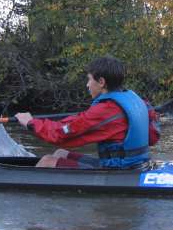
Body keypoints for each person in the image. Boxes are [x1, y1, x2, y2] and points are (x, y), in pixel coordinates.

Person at [15, 56, 160, 169]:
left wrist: (30, 123)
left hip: (120, 170)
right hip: (137, 165)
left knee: (47, 161)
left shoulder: (106, 110)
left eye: (89, 79)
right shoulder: (138, 101)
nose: (87, 85)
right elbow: (153, 137)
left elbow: (60, 135)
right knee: (60, 153)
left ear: (101, 82)